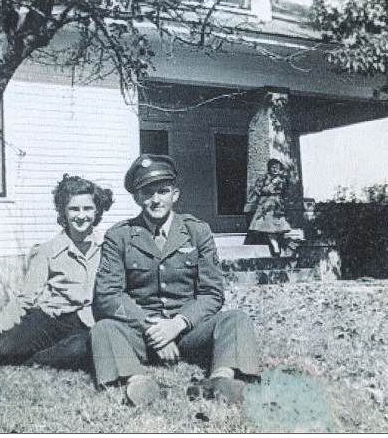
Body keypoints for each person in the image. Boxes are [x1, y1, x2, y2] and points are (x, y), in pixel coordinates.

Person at [90, 154, 261, 407]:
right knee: (102, 329)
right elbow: (108, 295)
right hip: (140, 335)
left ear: (175, 194)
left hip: (189, 332)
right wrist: (151, 328)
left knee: (236, 319)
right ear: (137, 198)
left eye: (163, 191)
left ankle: (220, 379)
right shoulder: (120, 236)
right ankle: (139, 382)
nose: (156, 199)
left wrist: (177, 324)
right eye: (147, 193)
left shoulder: (197, 231)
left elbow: (212, 293)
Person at [0, 174, 113, 370]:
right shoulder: (47, 250)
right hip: (50, 319)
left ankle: (37, 360)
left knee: (81, 349)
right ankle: (45, 352)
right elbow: (25, 297)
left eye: (88, 208)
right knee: (0, 349)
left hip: (85, 322)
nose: (81, 215)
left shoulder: (108, 248)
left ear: (97, 211)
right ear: (63, 213)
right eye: (74, 209)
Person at [244, 158, 292, 257]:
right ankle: (275, 248)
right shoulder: (264, 178)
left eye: (277, 167)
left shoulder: (282, 179)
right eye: (273, 167)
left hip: (277, 205)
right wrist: (268, 186)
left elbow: (285, 192)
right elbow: (260, 190)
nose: (275, 170)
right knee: (269, 227)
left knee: (276, 227)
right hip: (266, 204)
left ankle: (276, 246)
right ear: (269, 168)